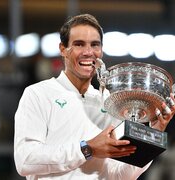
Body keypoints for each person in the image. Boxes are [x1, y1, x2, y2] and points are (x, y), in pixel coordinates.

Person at [14, 14, 175, 180]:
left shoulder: (110, 101)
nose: (88, 52)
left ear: (101, 51)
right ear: (63, 49)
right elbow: (25, 160)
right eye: (79, 44)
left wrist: (153, 131)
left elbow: (121, 175)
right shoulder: (38, 94)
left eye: (94, 45)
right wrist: (87, 149)